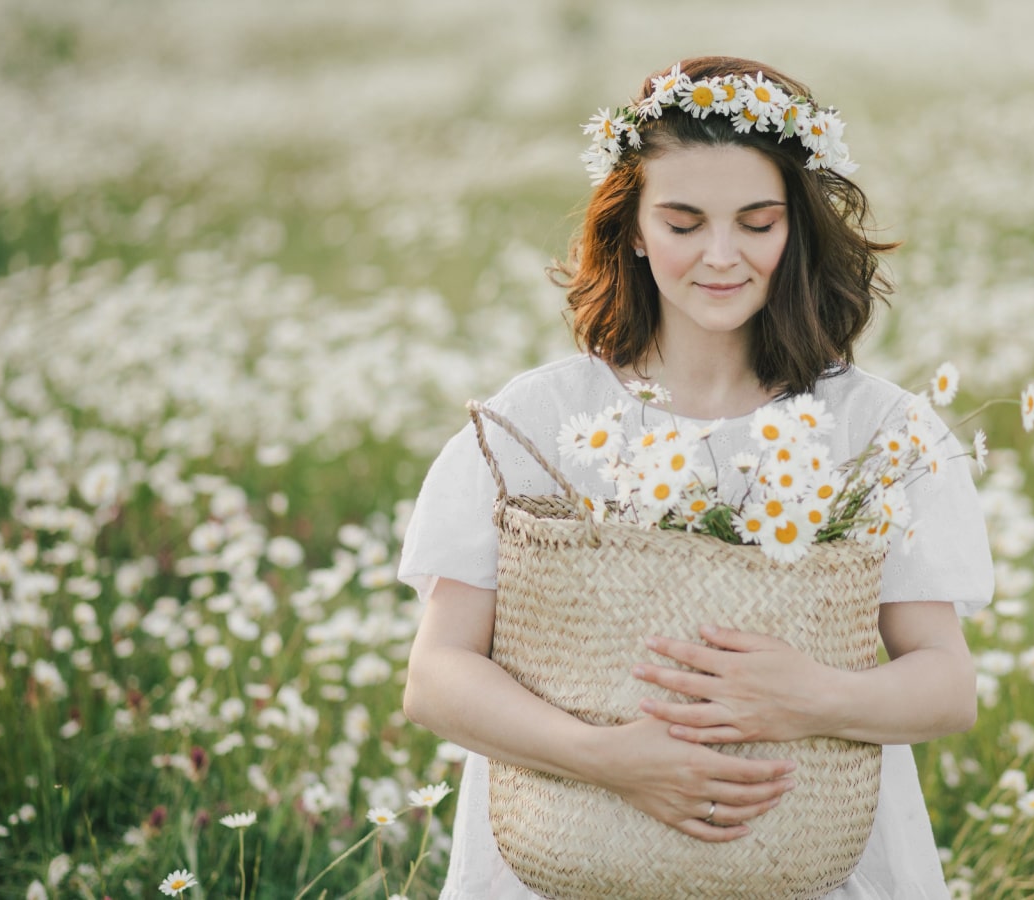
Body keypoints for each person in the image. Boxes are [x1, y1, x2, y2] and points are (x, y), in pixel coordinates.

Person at [399, 56, 995, 899]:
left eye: (758, 222)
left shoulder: (877, 431)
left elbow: (947, 686)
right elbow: (435, 676)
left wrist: (810, 698)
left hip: (809, 856)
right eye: (684, 223)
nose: (722, 256)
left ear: (798, 229)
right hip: (570, 848)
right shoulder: (536, 423)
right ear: (634, 229)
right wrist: (608, 760)